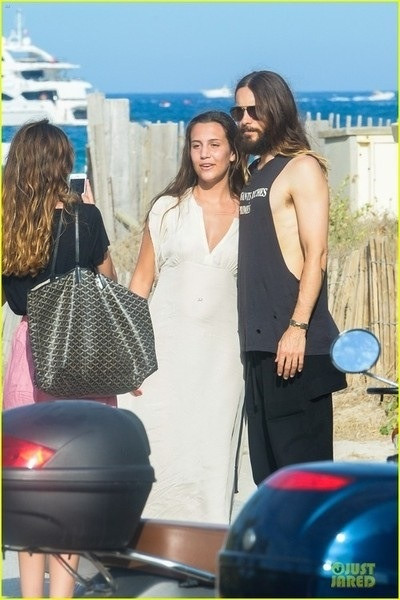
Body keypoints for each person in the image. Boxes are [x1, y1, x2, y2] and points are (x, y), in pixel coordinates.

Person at [2, 119, 117, 597]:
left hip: (30, 354)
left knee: (31, 487)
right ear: (62, 164)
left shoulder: (8, 222)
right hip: (79, 352)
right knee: (70, 488)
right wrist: (87, 213)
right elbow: (110, 283)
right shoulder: (84, 218)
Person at [124, 111, 246, 524]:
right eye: (196, 146)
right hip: (163, 354)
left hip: (223, 362)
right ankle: (145, 544)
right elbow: (141, 282)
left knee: (212, 457)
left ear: (233, 152)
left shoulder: (252, 213)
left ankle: (206, 549)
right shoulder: (167, 209)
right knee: (159, 448)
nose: (204, 154)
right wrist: (131, 355)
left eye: (214, 145)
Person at [231, 71, 347, 485]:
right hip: (259, 347)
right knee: (270, 482)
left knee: (305, 482)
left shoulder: (302, 167)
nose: (244, 120)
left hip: (296, 347)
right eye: (238, 111)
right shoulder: (252, 173)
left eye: (254, 110)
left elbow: (317, 254)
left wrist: (297, 328)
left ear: (277, 110)